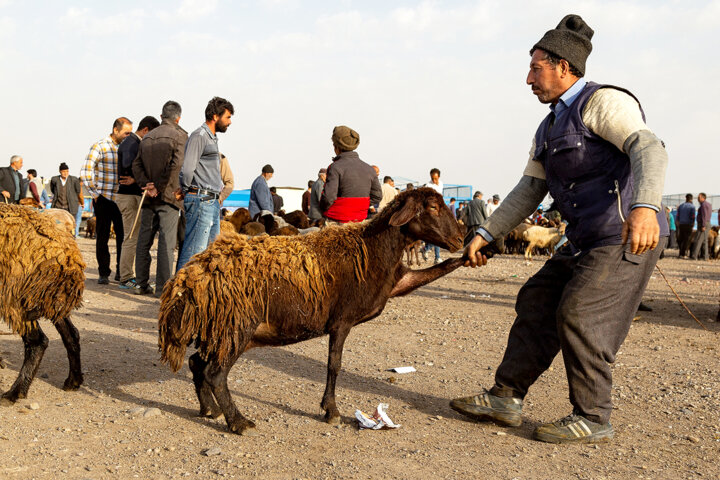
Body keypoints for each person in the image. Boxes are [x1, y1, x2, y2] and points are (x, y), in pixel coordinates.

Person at [452, 14, 669, 444]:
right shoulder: (548, 126)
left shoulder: (603, 102)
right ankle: (506, 397)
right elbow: (529, 189)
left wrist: (645, 208)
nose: (527, 78)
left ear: (563, 67)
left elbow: (649, 147)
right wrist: (487, 232)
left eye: (535, 68)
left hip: (623, 233)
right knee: (536, 299)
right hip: (584, 237)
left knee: (580, 312)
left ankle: (593, 416)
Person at [132, 101, 188, 296]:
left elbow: (136, 165)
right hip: (169, 197)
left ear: (162, 115)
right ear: (178, 118)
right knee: (166, 243)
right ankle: (163, 288)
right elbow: (176, 166)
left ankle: (141, 284)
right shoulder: (180, 135)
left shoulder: (147, 137)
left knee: (144, 241)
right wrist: (159, 186)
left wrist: (146, 184)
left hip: (148, 197)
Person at [176, 96, 234, 270]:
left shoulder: (212, 138)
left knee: (210, 252)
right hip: (201, 200)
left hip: (211, 201)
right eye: (228, 117)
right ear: (215, 116)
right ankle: (177, 295)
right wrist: (187, 190)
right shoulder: (199, 136)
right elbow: (187, 169)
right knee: (194, 252)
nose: (230, 122)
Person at [81, 117, 133, 284]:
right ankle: (104, 273)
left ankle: (120, 272)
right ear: (115, 130)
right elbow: (86, 172)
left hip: (121, 199)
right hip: (104, 199)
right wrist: (95, 194)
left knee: (122, 237)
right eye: (126, 132)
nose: (128, 135)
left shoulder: (128, 148)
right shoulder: (100, 146)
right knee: (102, 237)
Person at [116, 116, 160, 289]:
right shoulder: (131, 143)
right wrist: (136, 179)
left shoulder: (132, 142)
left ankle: (128, 274)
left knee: (133, 236)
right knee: (131, 237)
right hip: (129, 196)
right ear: (146, 130)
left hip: (132, 196)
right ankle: (126, 277)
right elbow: (128, 164)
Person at [320, 126, 382, 223]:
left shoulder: (335, 167)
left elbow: (328, 198)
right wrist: (359, 208)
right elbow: (377, 196)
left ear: (336, 147)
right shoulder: (369, 169)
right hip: (360, 223)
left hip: (336, 223)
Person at [50, 162, 83, 229]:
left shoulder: (74, 180)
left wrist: (75, 200)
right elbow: (53, 190)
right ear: (60, 171)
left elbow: (78, 191)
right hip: (58, 207)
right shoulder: (55, 180)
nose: (65, 173)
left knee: (70, 227)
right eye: (63, 171)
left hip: (70, 207)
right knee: (57, 226)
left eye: (67, 171)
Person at [424, 168, 444, 263]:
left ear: (438, 177)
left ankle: (427, 249)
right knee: (436, 234)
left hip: (438, 210)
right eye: (432, 178)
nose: (434, 180)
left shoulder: (441, 184)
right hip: (431, 211)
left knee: (438, 234)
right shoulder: (428, 185)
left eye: (435, 178)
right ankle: (437, 256)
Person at [248, 164, 275, 232]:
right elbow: (263, 201)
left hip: (259, 214)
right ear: (266, 173)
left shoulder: (261, 181)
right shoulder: (260, 183)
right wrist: (270, 214)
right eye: (271, 174)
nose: (271, 176)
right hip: (258, 215)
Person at [690, 192, 712, 261]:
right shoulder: (708, 204)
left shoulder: (703, 205)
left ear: (703, 198)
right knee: (704, 240)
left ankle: (694, 255)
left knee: (698, 240)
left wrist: (703, 225)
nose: (698, 199)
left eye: (699, 197)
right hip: (707, 223)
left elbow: (704, 215)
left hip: (703, 224)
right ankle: (705, 256)